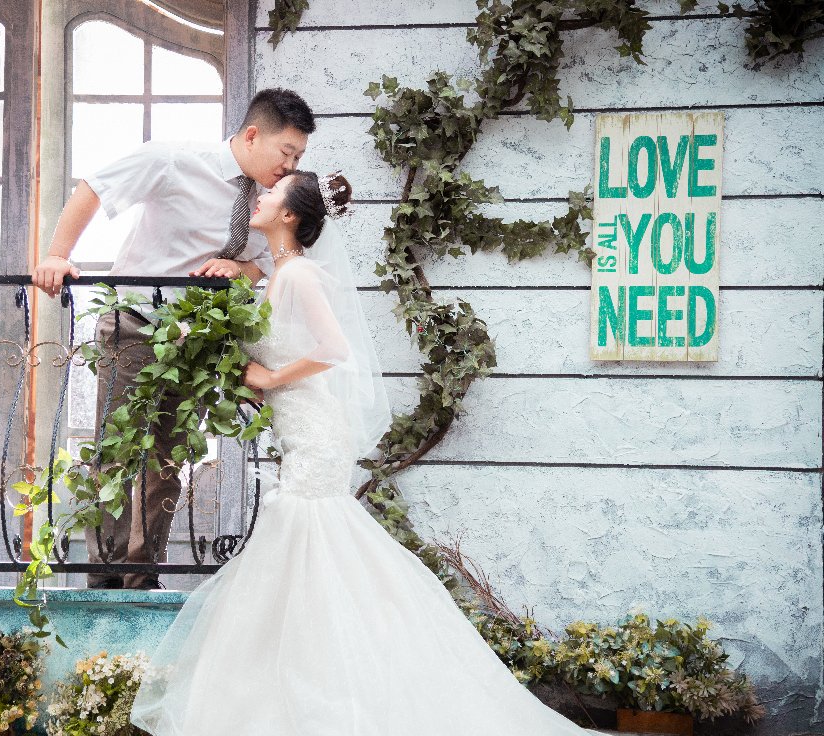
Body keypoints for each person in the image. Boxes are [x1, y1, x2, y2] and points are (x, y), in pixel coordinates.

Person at [128, 172, 599, 735]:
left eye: (272, 194)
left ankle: (330, 688)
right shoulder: (280, 274)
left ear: (289, 216)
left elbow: (333, 348)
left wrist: (271, 377)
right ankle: (303, 681)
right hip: (298, 428)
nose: (261, 196)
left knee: (306, 539)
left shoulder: (300, 274)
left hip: (317, 435)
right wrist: (244, 373)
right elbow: (290, 352)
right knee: (309, 549)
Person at [31, 89, 316, 591]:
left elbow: (272, 258)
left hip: (199, 340)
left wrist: (242, 268)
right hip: (137, 324)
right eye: (286, 152)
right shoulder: (173, 159)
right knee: (118, 452)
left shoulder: (272, 201)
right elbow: (95, 187)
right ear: (253, 135)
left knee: (167, 460)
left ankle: (141, 575)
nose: (290, 166)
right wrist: (57, 254)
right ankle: (104, 578)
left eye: (298, 157)